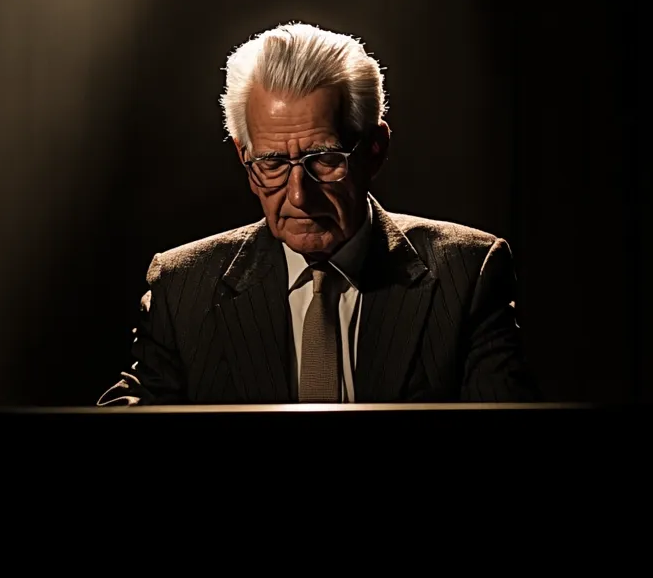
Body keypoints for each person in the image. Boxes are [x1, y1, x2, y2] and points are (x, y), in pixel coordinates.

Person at [98, 22, 535, 407]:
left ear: (375, 150)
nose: (299, 195)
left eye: (324, 160)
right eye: (271, 163)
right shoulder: (182, 288)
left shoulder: (468, 276)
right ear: (243, 156)